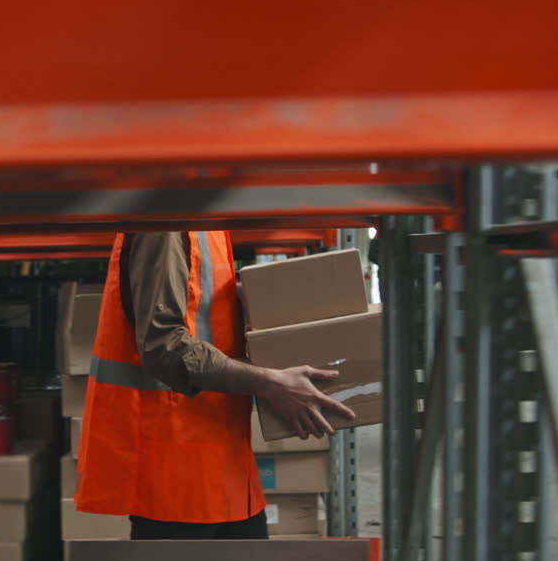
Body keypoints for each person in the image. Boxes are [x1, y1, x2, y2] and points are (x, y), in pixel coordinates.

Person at [74, 231, 356, 540]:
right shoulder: (165, 226)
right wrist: (270, 383)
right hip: (176, 471)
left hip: (225, 459)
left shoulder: (207, 225)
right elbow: (164, 345)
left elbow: (203, 314)